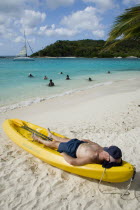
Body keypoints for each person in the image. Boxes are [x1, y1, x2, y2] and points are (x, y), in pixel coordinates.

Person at [32, 129, 122, 168]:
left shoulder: (93, 157)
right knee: (65, 139)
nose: (107, 148)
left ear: (107, 157)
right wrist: (88, 141)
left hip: (72, 150)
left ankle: (38, 139)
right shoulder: (104, 149)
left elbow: (73, 162)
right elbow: (96, 145)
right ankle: (51, 135)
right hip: (79, 143)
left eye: (108, 150)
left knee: (55, 144)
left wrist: (64, 154)